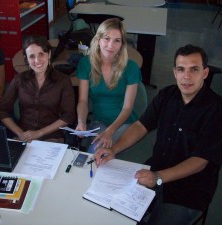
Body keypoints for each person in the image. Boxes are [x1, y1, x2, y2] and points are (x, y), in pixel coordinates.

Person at [95, 44, 222, 225]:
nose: (186, 76)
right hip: (153, 172)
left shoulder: (216, 110)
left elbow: (200, 161)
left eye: (194, 69)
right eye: (181, 69)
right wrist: (114, 149)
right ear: (174, 72)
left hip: (190, 191)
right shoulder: (166, 95)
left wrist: (159, 177)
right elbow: (141, 126)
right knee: (114, 215)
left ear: (205, 73)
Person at [75, 18, 141, 153]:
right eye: (106, 38)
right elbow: (82, 101)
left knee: (98, 153)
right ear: (98, 40)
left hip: (124, 123)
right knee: (94, 153)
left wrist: (110, 131)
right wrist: (81, 121)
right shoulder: (85, 64)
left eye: (117, 40)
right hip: (99, 122)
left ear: (122, 44)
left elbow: (127, 108)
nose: (110, 45)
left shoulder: (131, 68)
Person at [0, 35, 75, 143]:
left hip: (51, 136)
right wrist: (20, 133)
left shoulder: (63, 81)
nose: (37, 60)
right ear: (27, 59)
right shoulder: (20, 79)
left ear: (49, 54)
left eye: (41, 54)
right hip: (23, 135)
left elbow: (68, 117)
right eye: (32, 56)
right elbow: (2, 110)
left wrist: (40, 132)